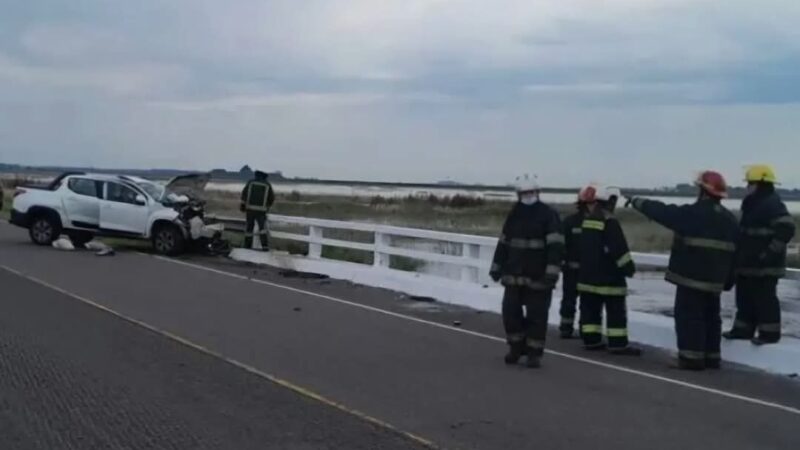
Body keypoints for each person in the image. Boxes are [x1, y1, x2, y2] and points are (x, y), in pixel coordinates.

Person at [628, 171, 738, 370]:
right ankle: (712, 357)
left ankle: (691, 358)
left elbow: (663, 212)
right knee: (712, 317)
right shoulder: (730, 220)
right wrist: (729, 280)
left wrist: (637, 202)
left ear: (702, 191)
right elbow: (736, 254)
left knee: (690, 317)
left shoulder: (692, 214)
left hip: (691, 277)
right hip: (715, 282)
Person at [490, 174, 564, 368]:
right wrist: (496, 267)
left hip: (539, 276)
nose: (527, 196)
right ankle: (516, 347)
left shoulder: (549, 214)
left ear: (538, 192)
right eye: (524, 193)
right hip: (514, 275)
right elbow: (504, 243)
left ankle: (534, 353)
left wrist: (551, 273)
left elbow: (556, 247)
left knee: (537, 317)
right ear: (518, 194)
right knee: (510, 314)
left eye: (530, 192)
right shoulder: (514, 214)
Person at [723, 165, 796, 345]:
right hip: (748, 264)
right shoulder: (752, 203)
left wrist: (769, 254)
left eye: (751, 183)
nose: (748, 187)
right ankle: (742, 330)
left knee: (765, 300)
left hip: (765, 266)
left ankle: (769, 334)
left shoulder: (772, 203)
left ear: (760, 184)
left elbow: (786, 228)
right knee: (745, 299)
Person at [577, 185, 641, 355]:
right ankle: (618, 344)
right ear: (611, 201)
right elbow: (619, 249)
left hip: (587, 277)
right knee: (616, 313)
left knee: (590, 311)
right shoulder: (609, 221)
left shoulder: (588, 220)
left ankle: (591, 340)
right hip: (609, 278)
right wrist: (629, 269)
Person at [558, 186, 593, 339]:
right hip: (572, 270)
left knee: (587, 302)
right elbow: (560, 245)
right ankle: (566, 327)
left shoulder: (597, 222)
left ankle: (585, 330)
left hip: (589, 271)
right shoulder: (570, 222)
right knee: (569, 301)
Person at [240, 170, 276, 250]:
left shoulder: (250, 182)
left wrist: (243, 205)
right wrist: (267, 206)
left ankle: (247, 245)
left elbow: (244, 194)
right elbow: (271, 198)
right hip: (261, 211)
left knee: (249, 228)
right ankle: (265, 246)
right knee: (262, 229)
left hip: (250, 209)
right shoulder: (267, 184)